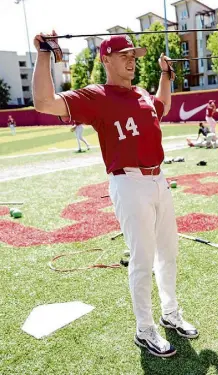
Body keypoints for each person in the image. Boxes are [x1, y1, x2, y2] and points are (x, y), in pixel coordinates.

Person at [32, 32, 198, 358]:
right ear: (105, 60)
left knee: (168, 253)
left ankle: (170, 312)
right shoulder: (97, 96)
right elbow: (44, 102)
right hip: (129, 182)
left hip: (159, 180)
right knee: (143, 258)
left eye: (133, 54)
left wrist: (166, 75)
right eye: (124, 54)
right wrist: (43, 54)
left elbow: (161, 107)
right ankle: (145, 329)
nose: (132, 59)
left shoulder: (140, 94)